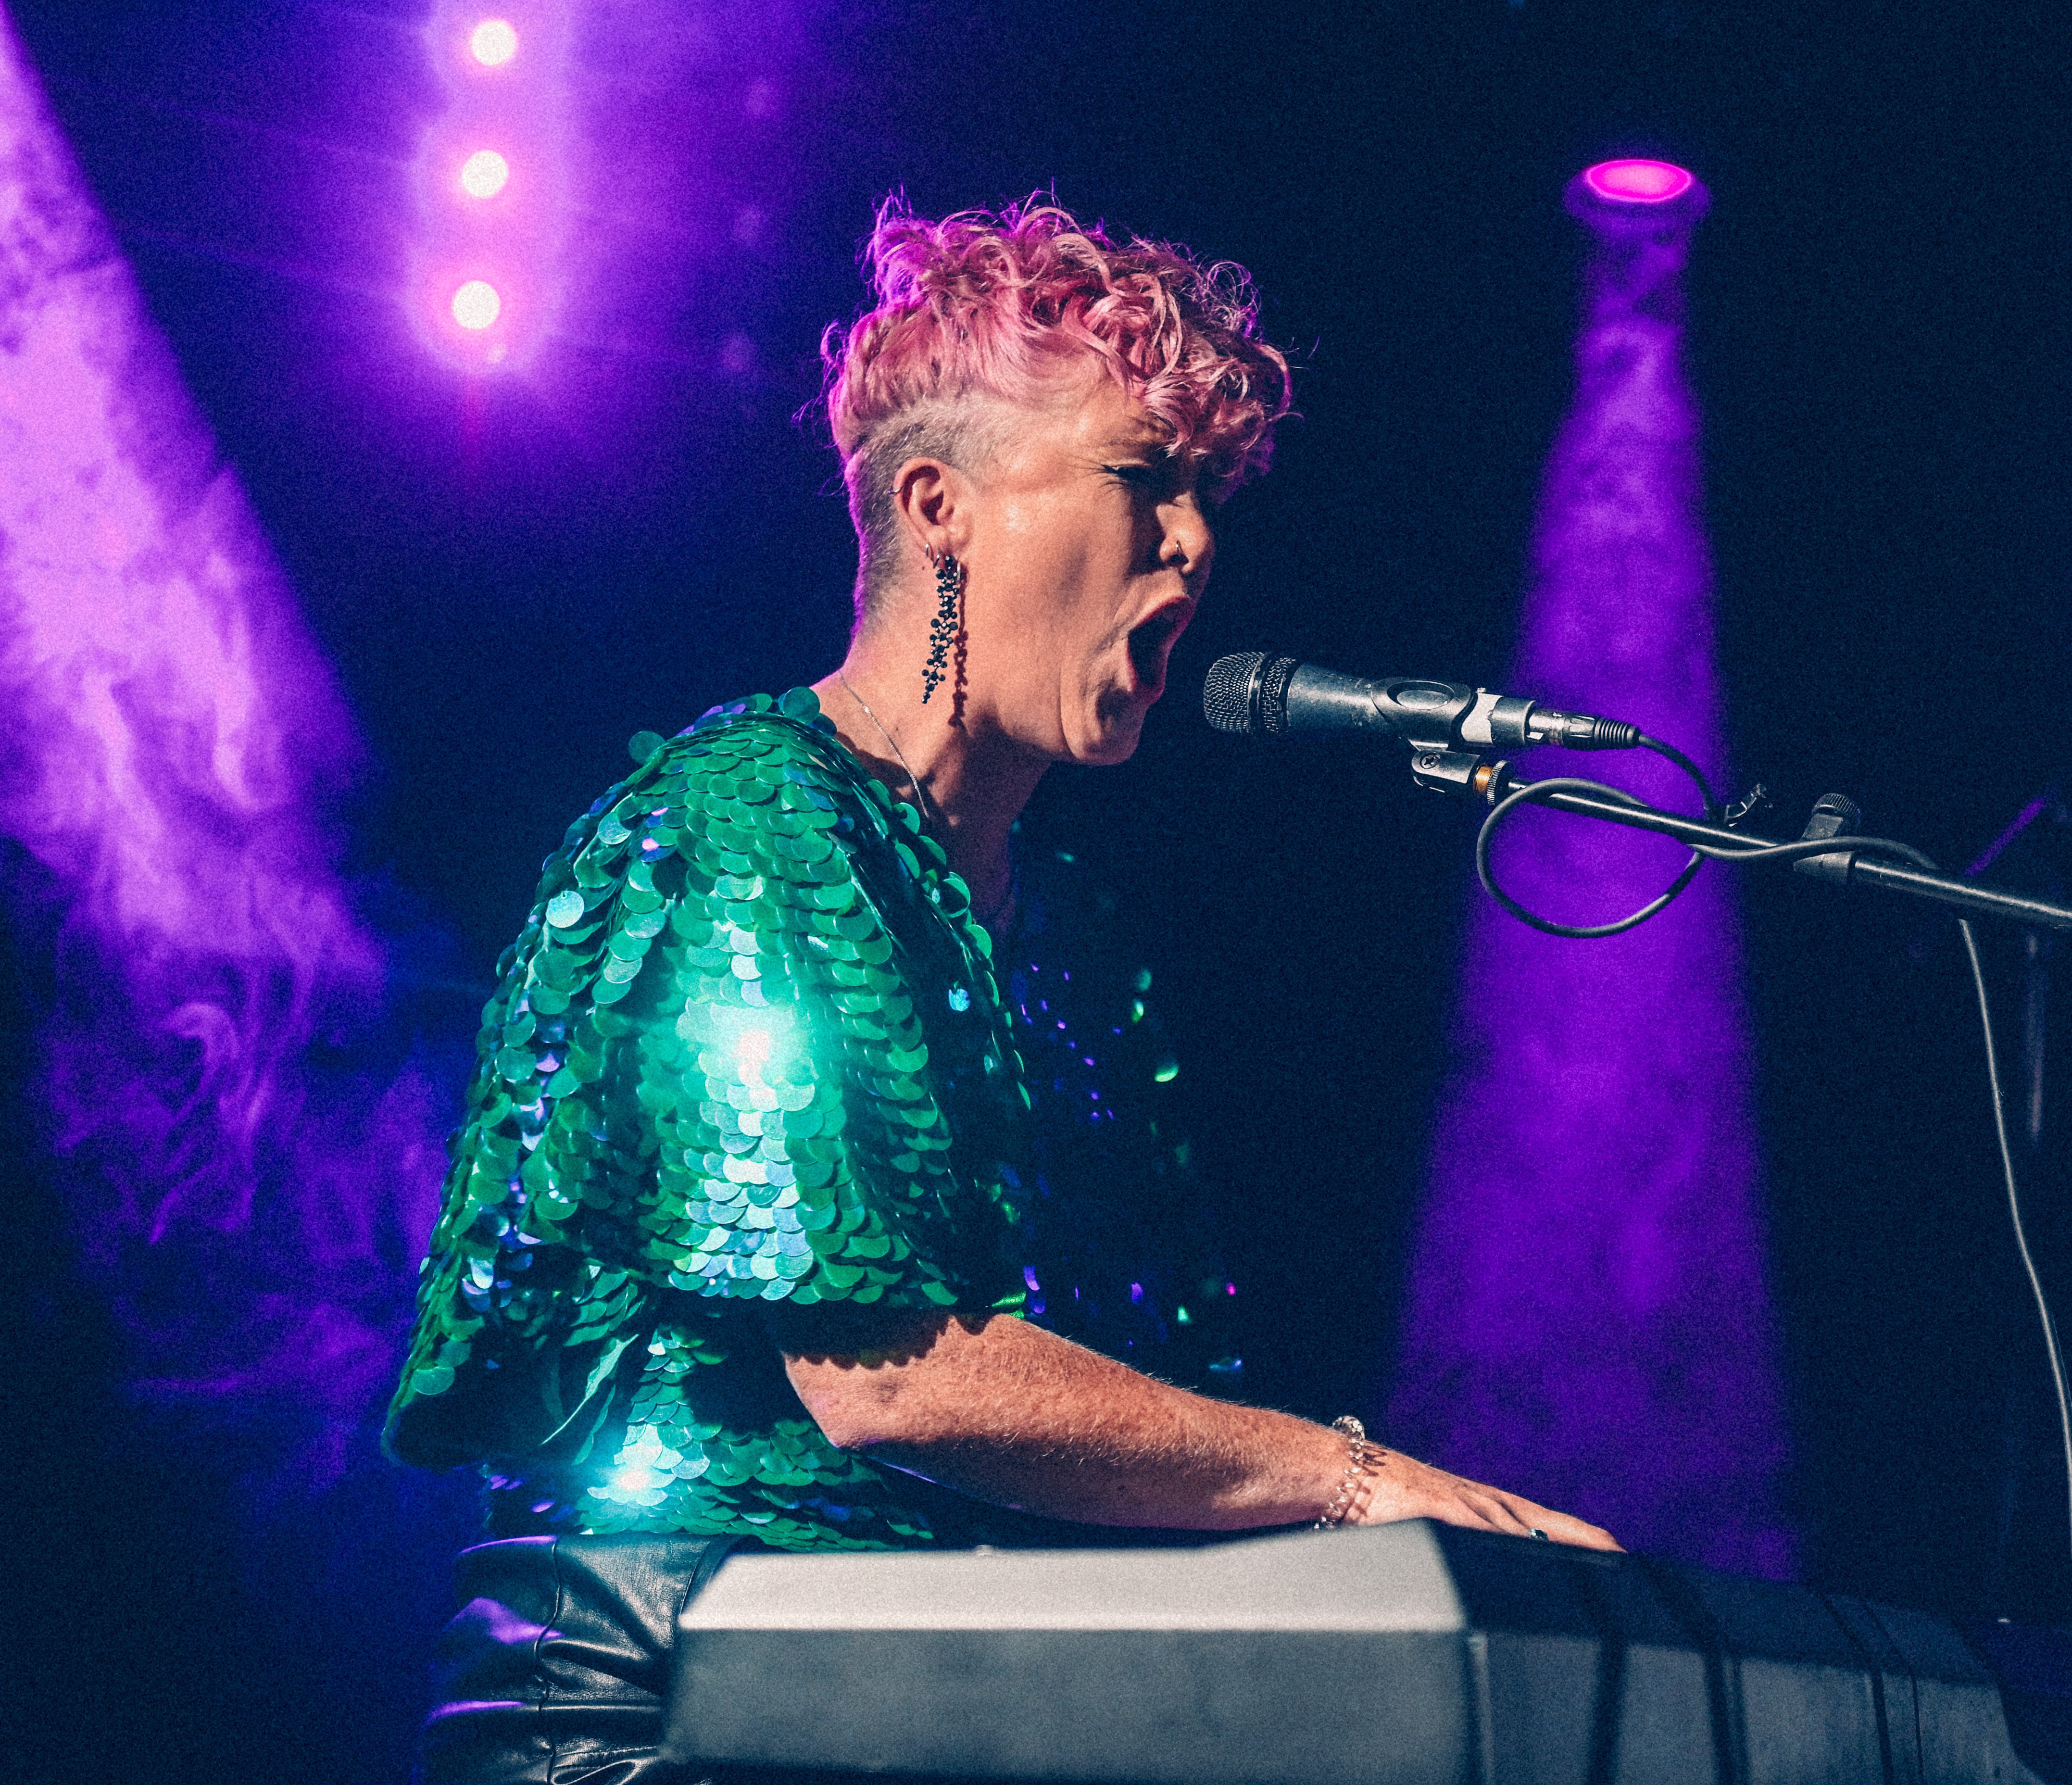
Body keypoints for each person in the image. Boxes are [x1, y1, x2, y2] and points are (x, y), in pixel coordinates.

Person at [388, 198, 1615, 1784]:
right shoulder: (749, 819)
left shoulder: (1078, 938)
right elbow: (896, 1377)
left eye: (1210, 494)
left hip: (951, 1702)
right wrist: (1367, 1487)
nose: (1196, 541)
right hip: (662, 1710)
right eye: (1146, 480)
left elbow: (1138, 1405)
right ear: (938, 506)